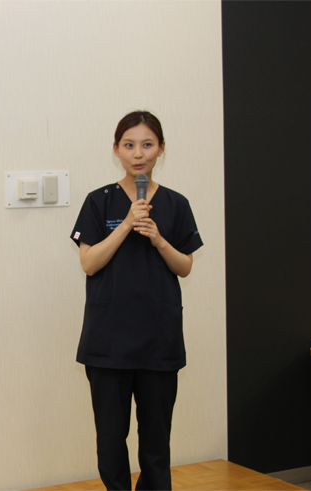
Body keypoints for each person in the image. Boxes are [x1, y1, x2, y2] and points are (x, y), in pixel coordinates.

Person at [70, 111, 203, 490]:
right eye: (129, 145)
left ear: (161, 149)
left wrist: (159, 239)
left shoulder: (176, 204)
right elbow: (89, 263)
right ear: (116, 150)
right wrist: (127, 223)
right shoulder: (98, 202)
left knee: (156, 443)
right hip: (108, 342)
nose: (138, 153)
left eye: (147, 144)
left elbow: (185, 267)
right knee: (111, 440)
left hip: (158, 340)